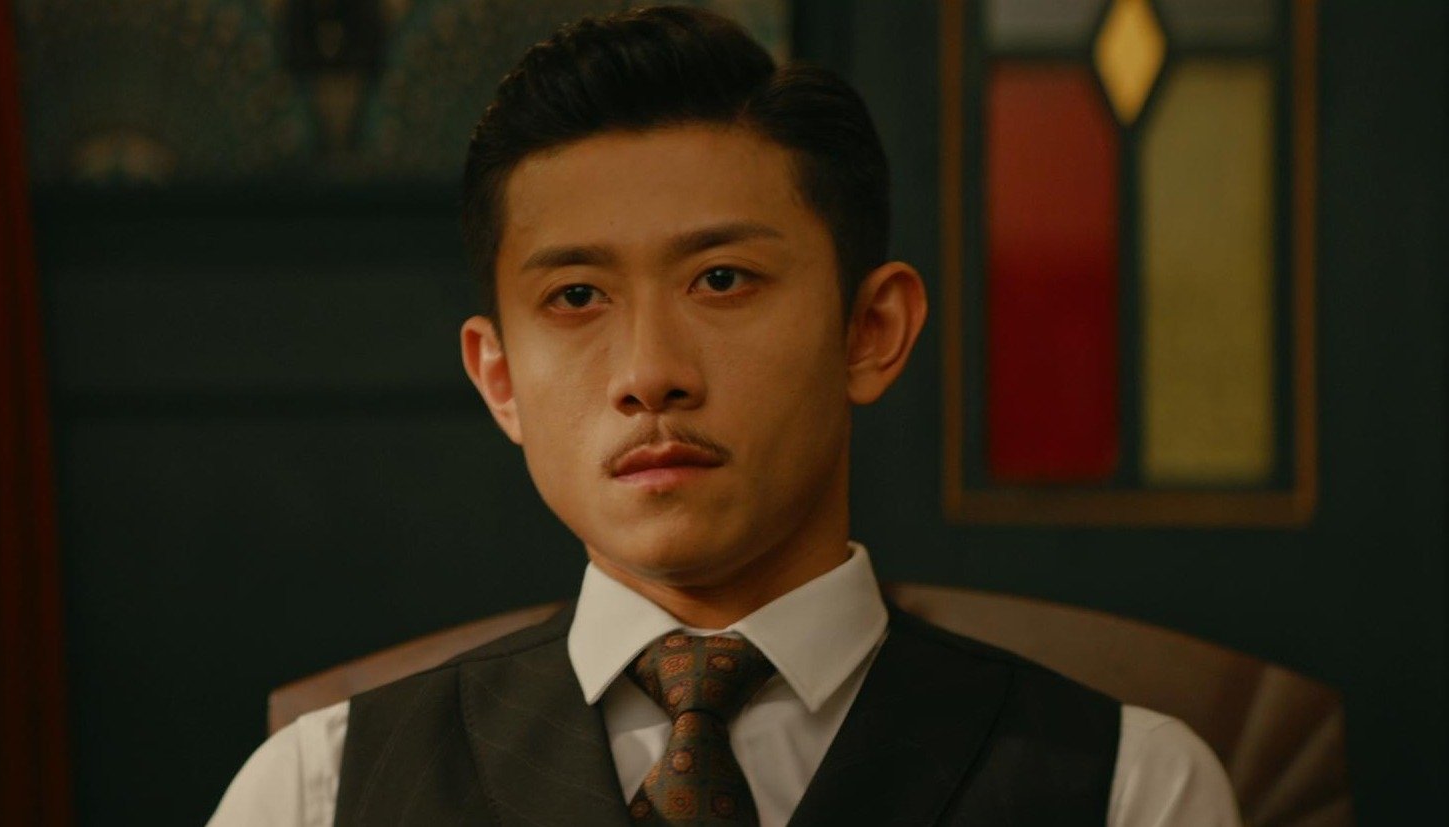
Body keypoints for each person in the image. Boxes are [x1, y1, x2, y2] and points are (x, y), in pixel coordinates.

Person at [209, 6, 1240, 825]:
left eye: (722, 279)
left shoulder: (1130, 790)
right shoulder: (315, 794)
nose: (649, 374)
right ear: (501, 378)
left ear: (871, 330)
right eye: (576, 296)